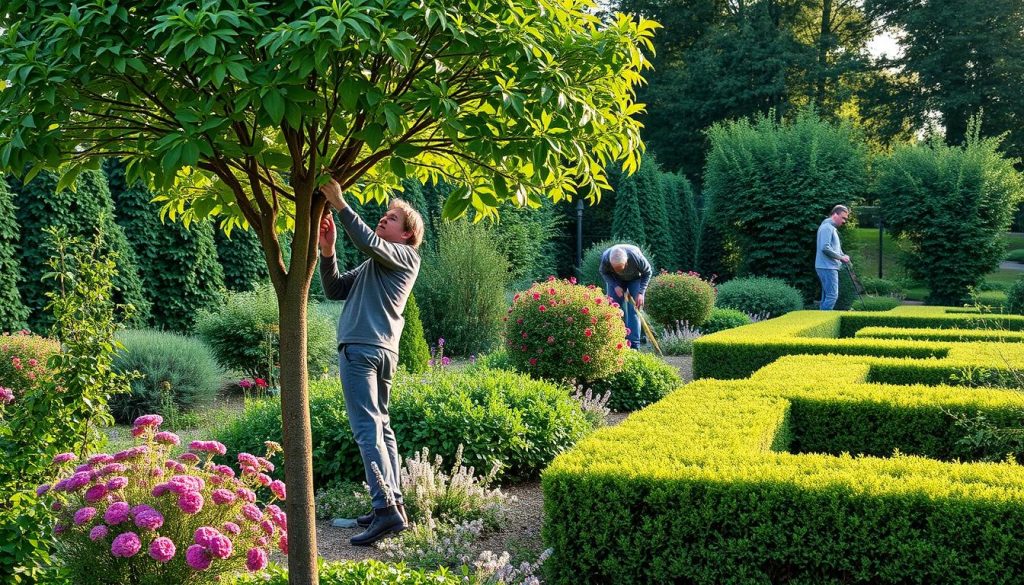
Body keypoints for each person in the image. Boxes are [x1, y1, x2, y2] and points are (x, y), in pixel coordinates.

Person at [318, 178, 425, 546]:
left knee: (368, 431)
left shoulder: (406, 256)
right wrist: (328, 251)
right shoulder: (373, 266)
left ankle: (385, 512)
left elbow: (366, 240)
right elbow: (333, 290)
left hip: (363, 350)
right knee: (382, 431)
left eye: (392, 218)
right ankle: (392, 503)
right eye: (383, 215)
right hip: (378, 351)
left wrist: (340, 204)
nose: (383, 219)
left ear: (408, 234)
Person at [599, 244, 652, 348]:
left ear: (626, 263)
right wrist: (615, 285)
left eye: (621, 268)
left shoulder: (636, 257)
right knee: (613, 309)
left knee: (635, 309)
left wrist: (641, 293)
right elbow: (604, 272)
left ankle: (634, 345)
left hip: (635, 279)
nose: (619, 272)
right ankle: (613, 341)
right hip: (616, 280)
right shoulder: (606, 258)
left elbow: (647, 272)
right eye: (615, 269)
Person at [815, 204, 851, 310]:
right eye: (843, 218)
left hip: (826, 266)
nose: (844, 221)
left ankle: (819, 321)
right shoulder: (827, 227)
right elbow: (825, 248)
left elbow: (833, 248)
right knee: (832, 296)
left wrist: (843, 255)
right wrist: (841, 258)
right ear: (835, 214)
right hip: (827, 266)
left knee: (826, 296)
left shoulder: (830, 227)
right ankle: (824, 321)